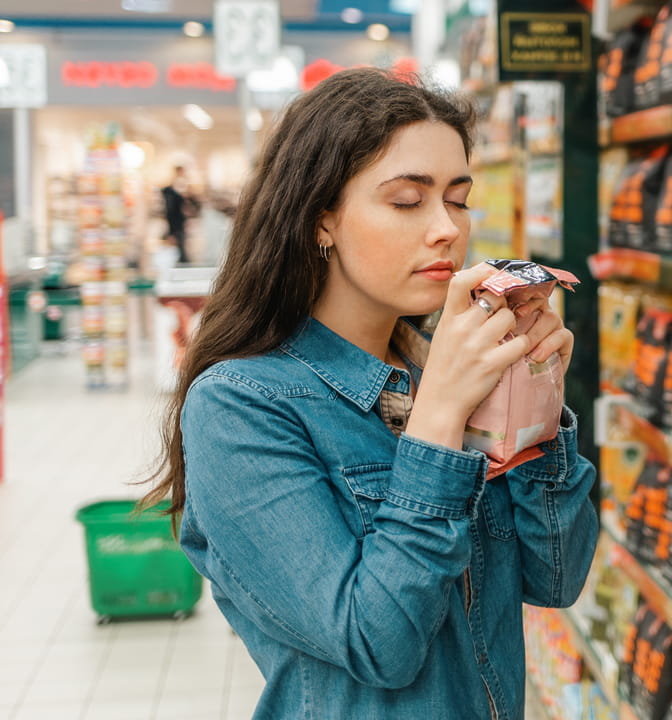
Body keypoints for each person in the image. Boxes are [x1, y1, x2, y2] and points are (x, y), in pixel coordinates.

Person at [141, 67, 598, 719]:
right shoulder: (239, 406)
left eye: (458, 198)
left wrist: (534, 413)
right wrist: (439, 421)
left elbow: (556, 577)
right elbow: (378, 642)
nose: (446, 228)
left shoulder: (440, 366)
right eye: (408, 201)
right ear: (320, 218)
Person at [161, 165, 199, 264]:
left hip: (180, 220)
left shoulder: (184, 186)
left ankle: (183, 262)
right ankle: (182, 263)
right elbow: (170, 208)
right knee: (178, 244)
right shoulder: (171, 189)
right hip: (175, 221)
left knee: (181, 244)